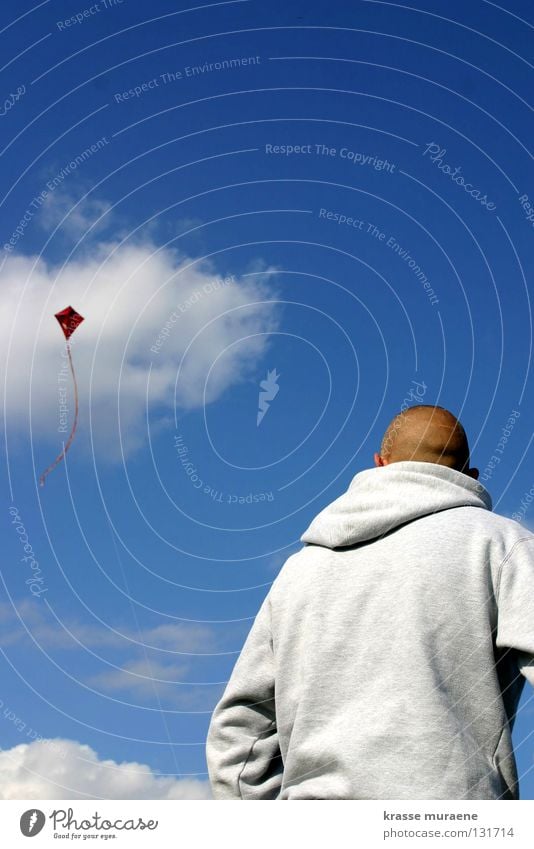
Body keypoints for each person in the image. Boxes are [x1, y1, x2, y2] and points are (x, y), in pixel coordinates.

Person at [206, 405, 534, 799]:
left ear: (380, 465)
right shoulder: (503, 545)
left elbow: (241, 728)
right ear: (469, 476)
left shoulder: (298, 571)